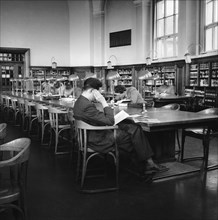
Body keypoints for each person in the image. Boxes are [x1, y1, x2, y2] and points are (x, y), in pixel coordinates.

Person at [73, 78, 168, 180]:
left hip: (91, 134)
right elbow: (110, 121)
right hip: (98, 139)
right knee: (133, 136)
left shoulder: (80, 102)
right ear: (92, 91)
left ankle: (147, 164)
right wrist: (103, 102)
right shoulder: (86, 105)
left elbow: (100, 118)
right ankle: (143, 168)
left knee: (134, 128)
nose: (100, 94)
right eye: (98, 91)